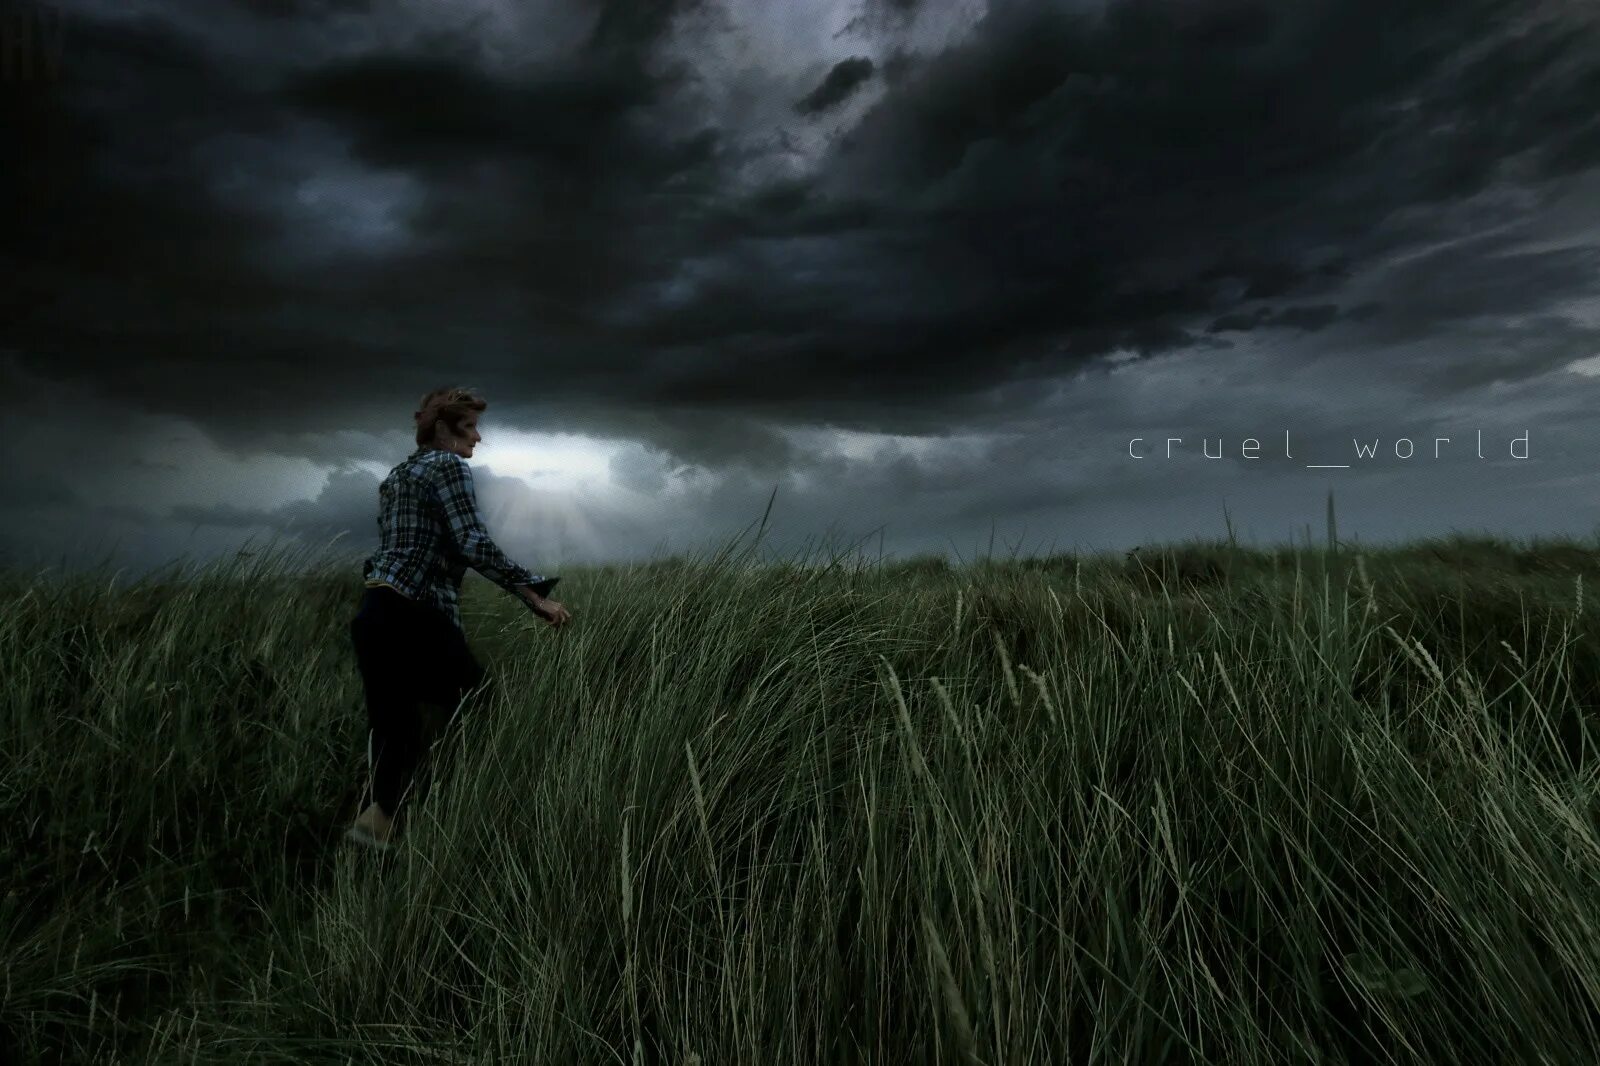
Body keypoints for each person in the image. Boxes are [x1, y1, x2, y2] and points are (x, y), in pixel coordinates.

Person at [346, 385, 571, 850]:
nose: (478, 439)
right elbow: (471, 542)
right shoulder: (447, 467)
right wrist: (535, 597)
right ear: (443, 429)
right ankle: (486, 818)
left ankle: (374, 827)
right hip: (415, 613)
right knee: (481, 709)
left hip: (375, 613)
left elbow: (409, 546)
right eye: (469, 428)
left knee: (393, 727)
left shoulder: (395, 477)